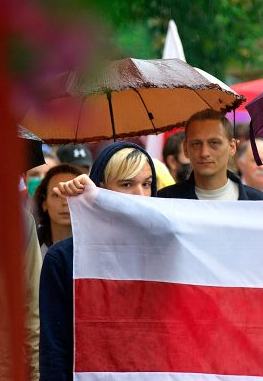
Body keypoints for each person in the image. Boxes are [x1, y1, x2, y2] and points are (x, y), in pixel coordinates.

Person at [39, 141, 157, 381]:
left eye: (146, 184)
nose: (141, 195)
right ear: (100, 189)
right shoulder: (63, 258)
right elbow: (55, 352)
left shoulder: (166, 249)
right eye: (126, 184)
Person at [157, 110, 263, 201]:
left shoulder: (259, 203)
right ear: (186, 149)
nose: (204, 153)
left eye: (214, 143)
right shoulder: (163, 201)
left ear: (232, 147)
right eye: (196, 144)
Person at [33, 164, 84, 258]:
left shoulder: (96, 246)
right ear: (44, 203)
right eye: (56, 195)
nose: (65, 202)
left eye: (73, 194)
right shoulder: (30, 245)